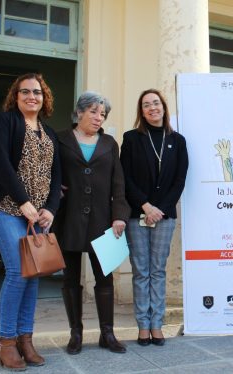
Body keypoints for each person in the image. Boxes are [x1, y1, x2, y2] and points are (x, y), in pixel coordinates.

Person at [0, 73, 61, 371]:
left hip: (38, 217)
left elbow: (57, 176)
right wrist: (24, 202)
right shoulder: (3, 123)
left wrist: (50, 209)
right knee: (18, 271)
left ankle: (26, 340)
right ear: (15, 96)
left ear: (44, 97)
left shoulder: (49, 133)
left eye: (37, 92)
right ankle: (7, 341)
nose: (31, 96)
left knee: (34, 274)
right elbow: (1, 164)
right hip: (5, 209)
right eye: (24, 91)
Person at [55, 92, 131, 354]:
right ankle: (76, 334)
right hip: (68, 219)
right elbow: (51, 173)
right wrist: (55, 192)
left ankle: (107, 334)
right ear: (79, 113)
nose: (99, 118)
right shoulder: (60, 139)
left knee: (104, 278)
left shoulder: (109, 143)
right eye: (94, 112)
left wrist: (120, 214)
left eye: (103, 114)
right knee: (70, 279)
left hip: (103, 220)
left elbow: (118, 182)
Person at [120, 89, 188, 346]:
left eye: (156, 103)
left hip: (165, 216)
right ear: (142, 111)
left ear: (163, 107)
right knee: (141, 271)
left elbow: (180, 180)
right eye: (146, 105)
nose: (152, 108)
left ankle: (157, 325)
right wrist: (146, 206)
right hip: (137, 214)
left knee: (157, 270)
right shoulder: (131, 139)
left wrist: (160, 209)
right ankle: (143, 326)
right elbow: (125, 178)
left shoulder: (178, 141)